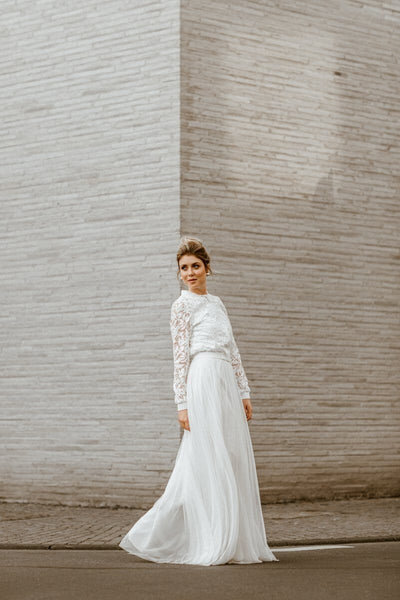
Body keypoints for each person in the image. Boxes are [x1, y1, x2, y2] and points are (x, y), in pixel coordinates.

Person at [119, 236, 278, 565]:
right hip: (201, 379)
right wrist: (182, 402)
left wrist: (243, 391)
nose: (190, 273)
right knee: (206, 457)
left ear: (208, 268)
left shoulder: (217, 303)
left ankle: (233, 537)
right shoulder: (181, 306)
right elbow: (179, 357)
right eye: (183, 268)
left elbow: (233, 350)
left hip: (226, 384)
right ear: (179, 274)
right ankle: (201, 536)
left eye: (195, 266)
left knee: (231, 456)